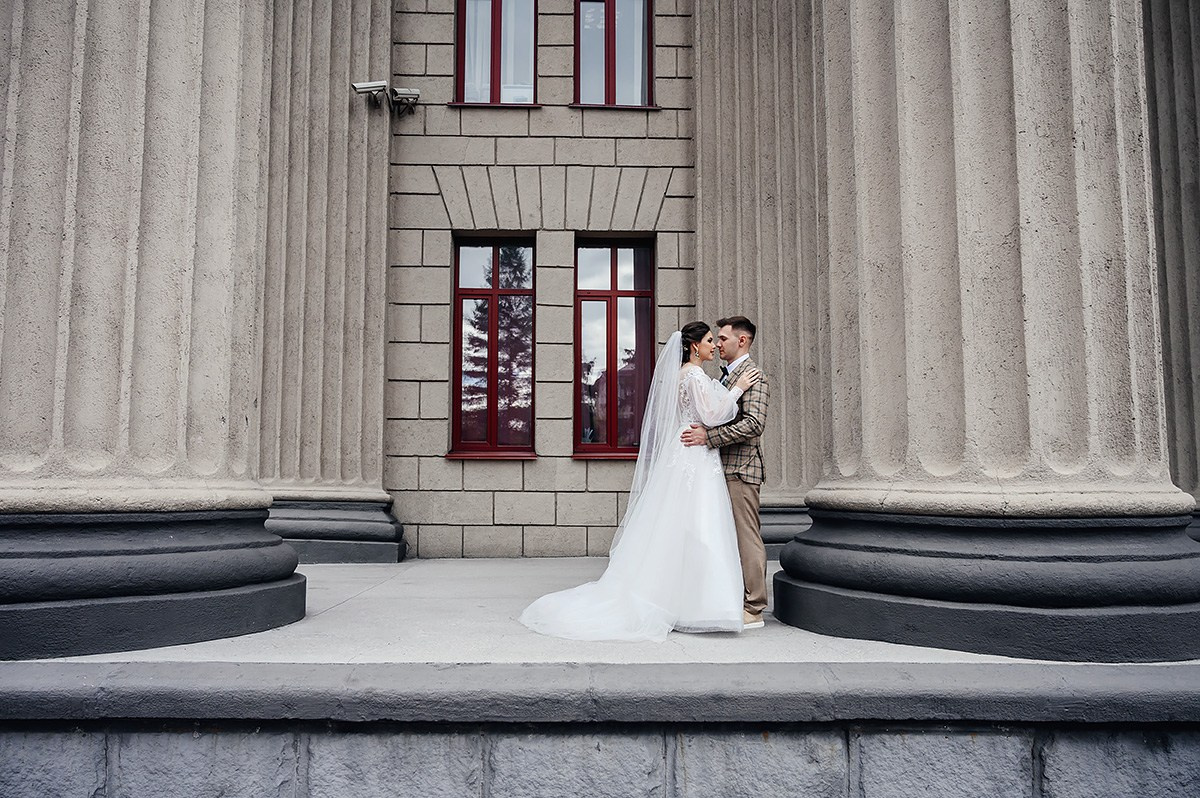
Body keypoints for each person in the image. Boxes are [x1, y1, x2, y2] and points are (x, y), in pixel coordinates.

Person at [519, 322, 761, 641]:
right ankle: (697, 605)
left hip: (684, 450)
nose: (714, 346)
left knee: (681, 526)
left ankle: (682, 600)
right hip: (694, 454)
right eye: (708, 341)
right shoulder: (694, 375)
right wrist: (738, 388)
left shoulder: (683, 375)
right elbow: (714, 415)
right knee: (699, 526)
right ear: (693, 347)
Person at [680, 316, 770, 629]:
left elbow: (753, 425)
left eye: (723, 339)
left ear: (741, 341)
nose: (717, 344)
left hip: (742, 469)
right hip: (719, 469)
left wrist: (709, 436)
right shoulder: (724, 376)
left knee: (746, 538)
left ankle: (754, 607)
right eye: (714, 340)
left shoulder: (753, 376)